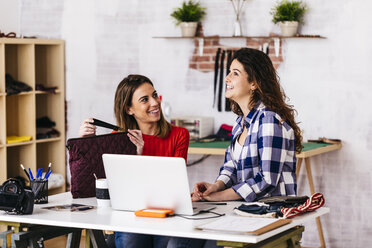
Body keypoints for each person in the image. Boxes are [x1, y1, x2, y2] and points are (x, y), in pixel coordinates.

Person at [167, 48, 302, 248]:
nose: (227, 78)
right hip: (242, 210)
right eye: (229, 71)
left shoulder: (269, 121)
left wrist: (218, 196)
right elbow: (231, 165)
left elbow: (267, 180)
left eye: (235, 73)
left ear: (254, 83)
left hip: (268, 213)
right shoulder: (241, 122)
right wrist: (216, 187)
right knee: (177, 242)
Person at [79, 74, 190, 248]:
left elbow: (172, 186)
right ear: (129, 109)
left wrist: (140, 157)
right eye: (145, 99)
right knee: (131, 241)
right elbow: (98, 187)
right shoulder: (117, 139)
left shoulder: (179, 135)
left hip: (168, 215)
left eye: (154, 95)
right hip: (131, 216)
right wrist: (85, 143)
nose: (155, 103)